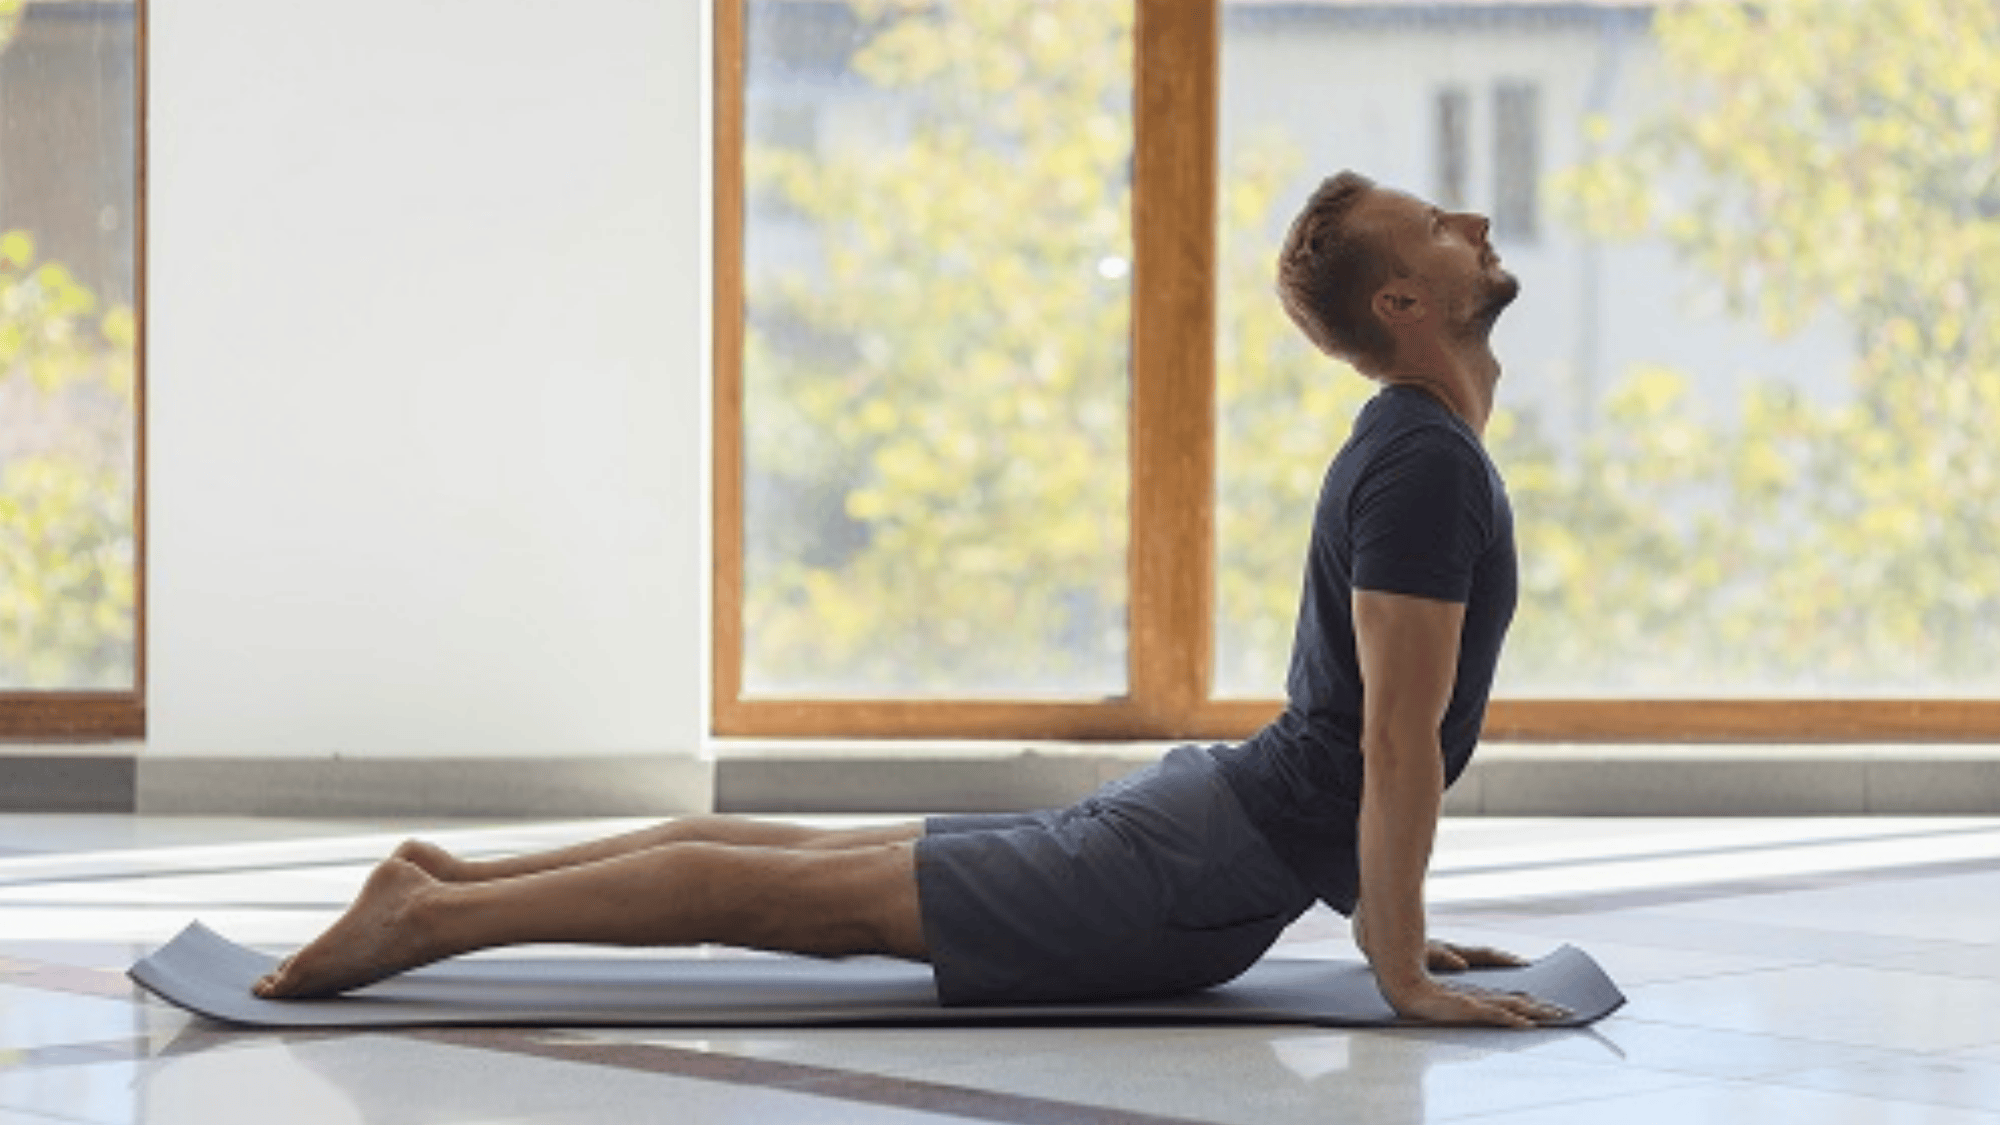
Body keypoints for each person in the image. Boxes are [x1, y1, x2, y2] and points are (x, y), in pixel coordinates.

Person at [255, 170, 1567, 1029]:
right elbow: (1392, 736)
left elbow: (1360, 735)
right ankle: (429, 917)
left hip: (1214, 824)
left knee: (813, 861)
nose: (1472, 219)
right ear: (1405, 300)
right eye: (1442, 226)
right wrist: (1395, 960)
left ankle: (446, 879)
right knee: (795, 897)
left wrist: (1392, 919)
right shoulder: (1422, 466)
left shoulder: (1412, 452)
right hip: (1199, 863)